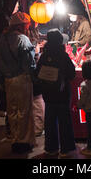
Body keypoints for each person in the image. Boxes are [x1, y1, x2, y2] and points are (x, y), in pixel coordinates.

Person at [0, 12, 36, 154]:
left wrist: (2, 77)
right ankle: (24, 141)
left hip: (8, 80)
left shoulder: (3, 39)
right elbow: (29, 63)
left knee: (12, 110)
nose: (28, 28)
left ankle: (15, 139)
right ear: (22, 26)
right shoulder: (22, 39)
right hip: (22, 79)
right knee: (24, 110)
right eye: (27, 25)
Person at [36, 28, 76, 158]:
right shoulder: (63, 55)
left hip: (48, 94)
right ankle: (65, 148)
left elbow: (37, 73)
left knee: (50, 121)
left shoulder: (44, 55)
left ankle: (51, 147)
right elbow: (72, 74)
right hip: (62, 93)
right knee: (65, 121)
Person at [0, 0, 19, 136]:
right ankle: (3, 110)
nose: (17, 8)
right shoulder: (4, 19)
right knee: (4, 88)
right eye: (16, 5)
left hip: (4, 60)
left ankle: (3, 109)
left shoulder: (7, 17)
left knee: (5, 88)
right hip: (4, 60)